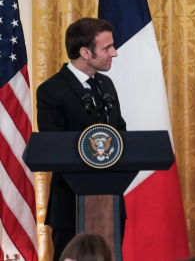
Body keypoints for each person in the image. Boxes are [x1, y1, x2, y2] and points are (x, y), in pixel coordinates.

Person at [36, 18, 127, 261]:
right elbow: (52, 147)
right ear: (85, 52)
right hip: (71, 205)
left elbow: (121, 133)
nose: (114, 53)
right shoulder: (51, 91)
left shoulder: (105, 84)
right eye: (107, 47)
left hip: (111, 203)